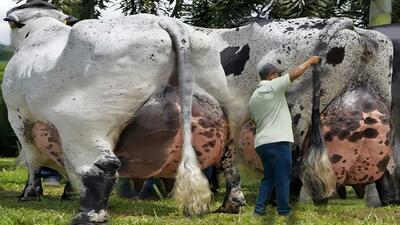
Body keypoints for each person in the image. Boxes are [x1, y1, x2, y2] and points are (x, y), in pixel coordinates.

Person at [249, 55, 321, 216]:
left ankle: (259, 210)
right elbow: (294, 74)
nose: (280, 77)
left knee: (269, 178)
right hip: (277, 142)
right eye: (277, 74)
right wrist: (310, 61)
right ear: (271, 76)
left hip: (262, 143)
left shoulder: (254, 97)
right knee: (283, 177)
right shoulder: (273, 86)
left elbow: (254, 120)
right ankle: (284, 210)